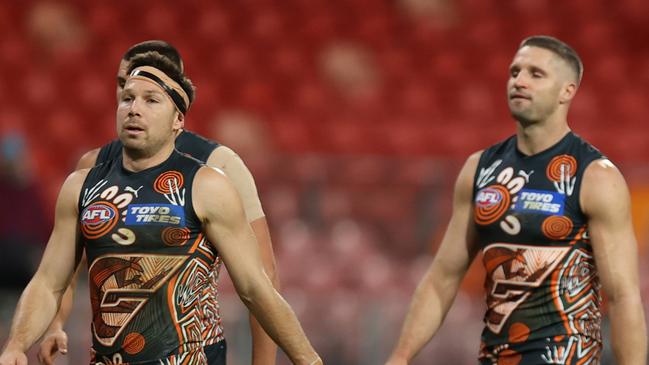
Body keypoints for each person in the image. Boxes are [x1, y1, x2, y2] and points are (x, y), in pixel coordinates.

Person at [0, 52, 321, 365]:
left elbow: (255, 288)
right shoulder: (81, 186)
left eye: (151, 100)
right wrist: (17, 343)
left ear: (178, 119)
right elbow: (49, 282)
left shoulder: (207, 185)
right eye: (127, 99)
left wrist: (306, 357)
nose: (134, 109)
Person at [386, 35, 647, 364]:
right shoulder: (479, 170)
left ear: (568, 91)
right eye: (515, 72)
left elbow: (623, 297)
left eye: (536, 74)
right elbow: (442, 279)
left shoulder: (596, 178)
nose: (519, 81)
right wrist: (400, 357)